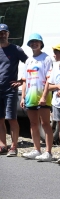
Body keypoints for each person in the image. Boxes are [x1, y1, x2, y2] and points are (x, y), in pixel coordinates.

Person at [20, 33, 54, 161]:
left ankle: (48, 152)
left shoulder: (46, 58)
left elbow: (49, 79)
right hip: (30, 96)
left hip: (42, 96)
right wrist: (23, 97)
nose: (34, 44)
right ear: (29, 45)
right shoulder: (28, 60)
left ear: (41, 44)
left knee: (45, 123)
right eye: (32, 42)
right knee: (33, 124)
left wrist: (45, 96)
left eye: (37, 42)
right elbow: (24, 80)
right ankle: (36, 149)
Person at [0, 23, 28, 156]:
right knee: (0, 119)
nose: (2, 35)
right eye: (0, 33)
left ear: (8, 34)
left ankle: (14, 147)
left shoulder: (16, 50)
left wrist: (21, 81)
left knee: (11, 118)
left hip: (10, 90)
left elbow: (30, 65)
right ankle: (2, 145)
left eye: (5, 32)